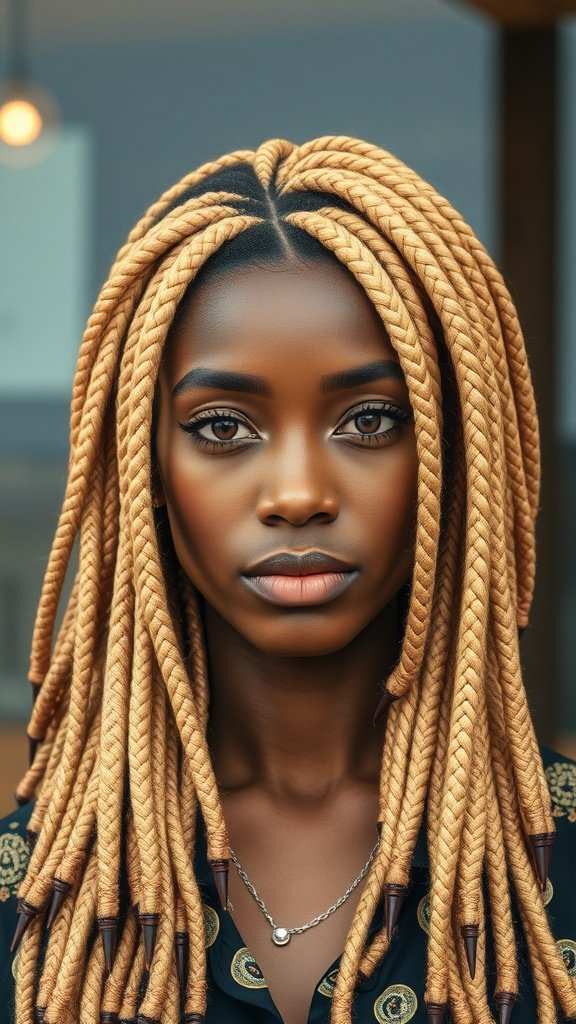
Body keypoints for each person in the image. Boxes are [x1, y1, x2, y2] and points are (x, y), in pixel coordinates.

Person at [0, 135, 575, 1024]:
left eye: (371, 419)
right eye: (224, 427)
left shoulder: (558, 866)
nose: (300, 494)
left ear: (460, 459)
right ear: (144, 469)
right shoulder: (37, 890)